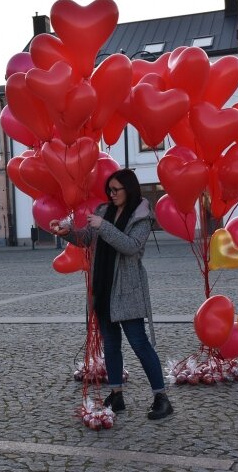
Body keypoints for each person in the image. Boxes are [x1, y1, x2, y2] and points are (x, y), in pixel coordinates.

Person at [49, 169, 173, 421]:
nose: (111, 194)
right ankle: (116, 395)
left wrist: (103, 226)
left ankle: (162, 398)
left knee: (139, 344)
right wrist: (67, 233)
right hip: (103, 287)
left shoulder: (141, 216)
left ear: (130, 189)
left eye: (116, 189)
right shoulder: (105, 210)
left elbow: (131, 246)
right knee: (111, 345)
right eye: (109, 189)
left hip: (127, 290)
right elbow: (88, 238)